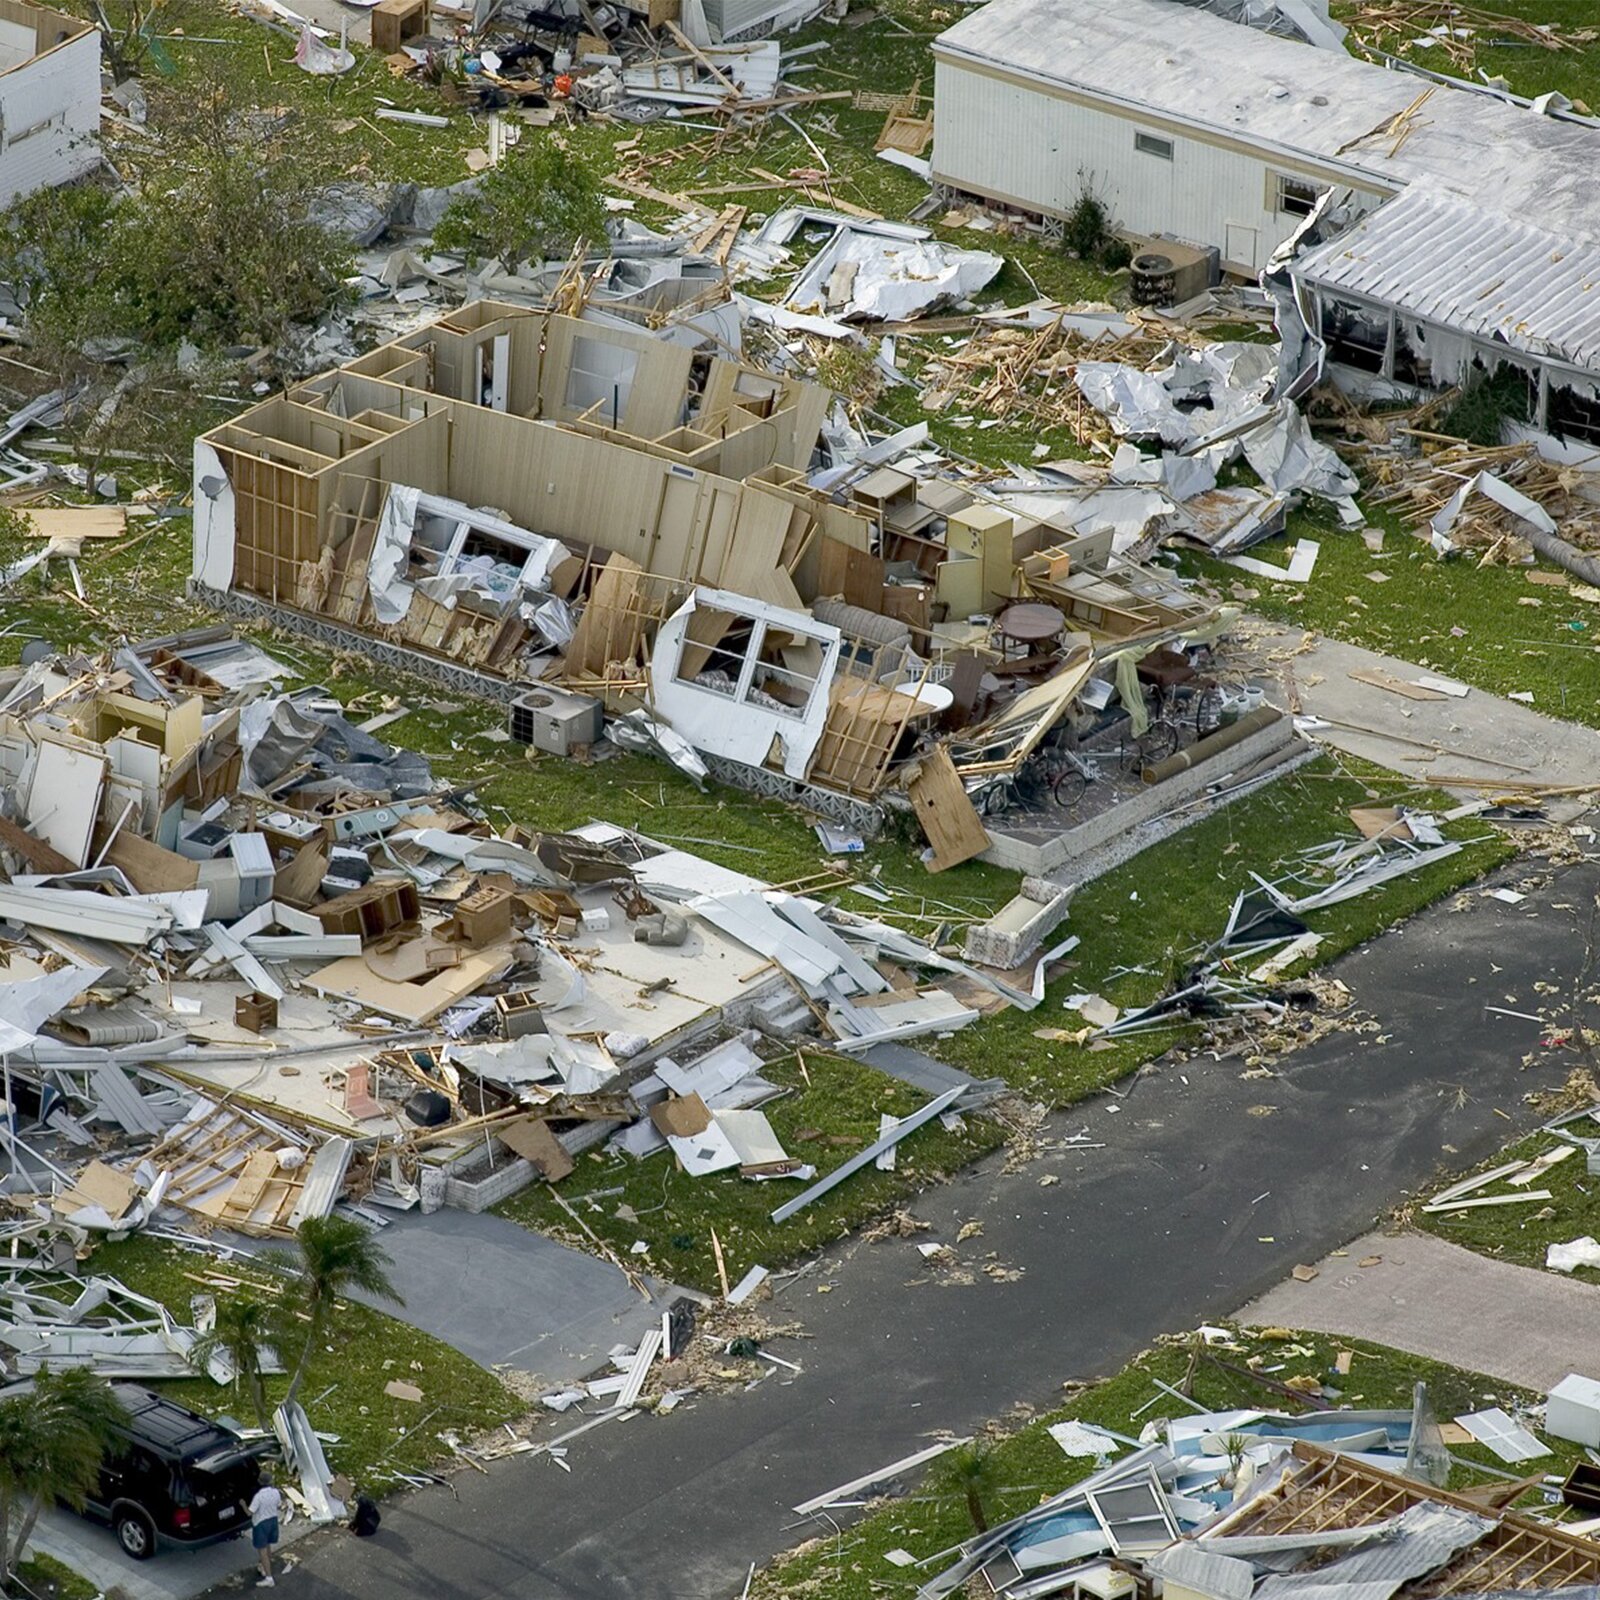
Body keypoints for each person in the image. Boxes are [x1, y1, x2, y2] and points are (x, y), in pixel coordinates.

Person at [249, 1469, 283, 1588]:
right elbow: (279, 1505)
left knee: (262, 1551)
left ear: (259, 1482)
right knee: (268, 1546)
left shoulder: (258, 1497)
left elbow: (250, 1512)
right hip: (273, 1521)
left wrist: (243, 1504)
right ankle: (265, 1566)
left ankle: (269, 1578)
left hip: (261, 1524)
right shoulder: (276, 1492)